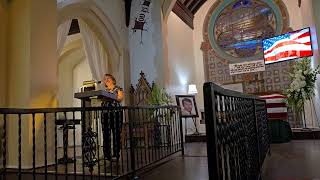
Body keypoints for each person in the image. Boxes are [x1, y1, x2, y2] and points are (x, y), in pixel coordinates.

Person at [101, 74, 123, 161]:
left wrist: (111, 95)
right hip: (105, 114)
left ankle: (116, 154)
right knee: (106, 133)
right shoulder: (104, 91)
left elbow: (120, 98)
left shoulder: (118, 88)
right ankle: (106, 154)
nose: (106, 80)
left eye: (108, 78)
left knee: (116, 133)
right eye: (105, 79)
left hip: (115, 113)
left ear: (113, 80)